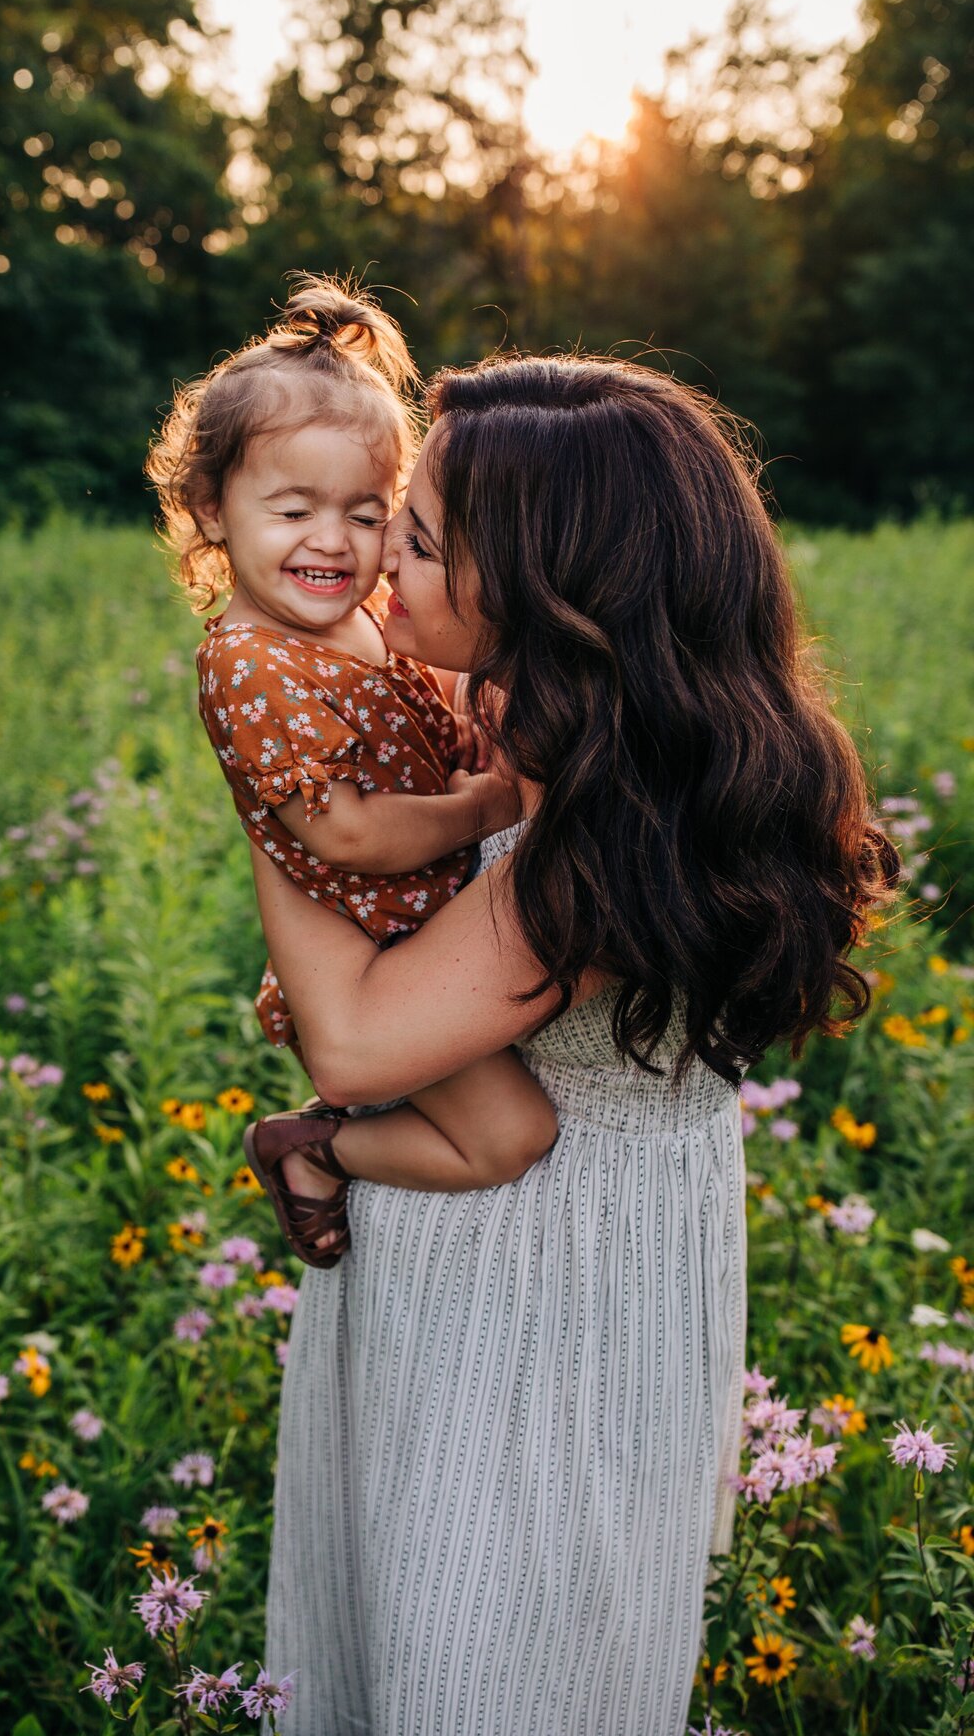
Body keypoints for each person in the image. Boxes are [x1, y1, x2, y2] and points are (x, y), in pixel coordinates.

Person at [247, 354, 899, 1735]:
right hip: (496, 1241)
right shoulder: (583, 744)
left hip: (543, 1296)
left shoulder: (600, 843)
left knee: (495, 1664)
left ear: (545, 586)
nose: (381, 565)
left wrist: (273, 809)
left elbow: (355, 1048)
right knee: (424, 1644)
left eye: (418, 539)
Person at [146, 278, 556, 1269]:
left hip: (430, 914)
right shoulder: (250, 658)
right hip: (384, 937)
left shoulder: (354, 618)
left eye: (369, 515)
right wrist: (486, 802)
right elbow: (348, 832)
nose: (333, 542)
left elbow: (425, 713)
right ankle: (313, 1150)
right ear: (210, 508)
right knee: (510, 1135)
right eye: (293, 510)